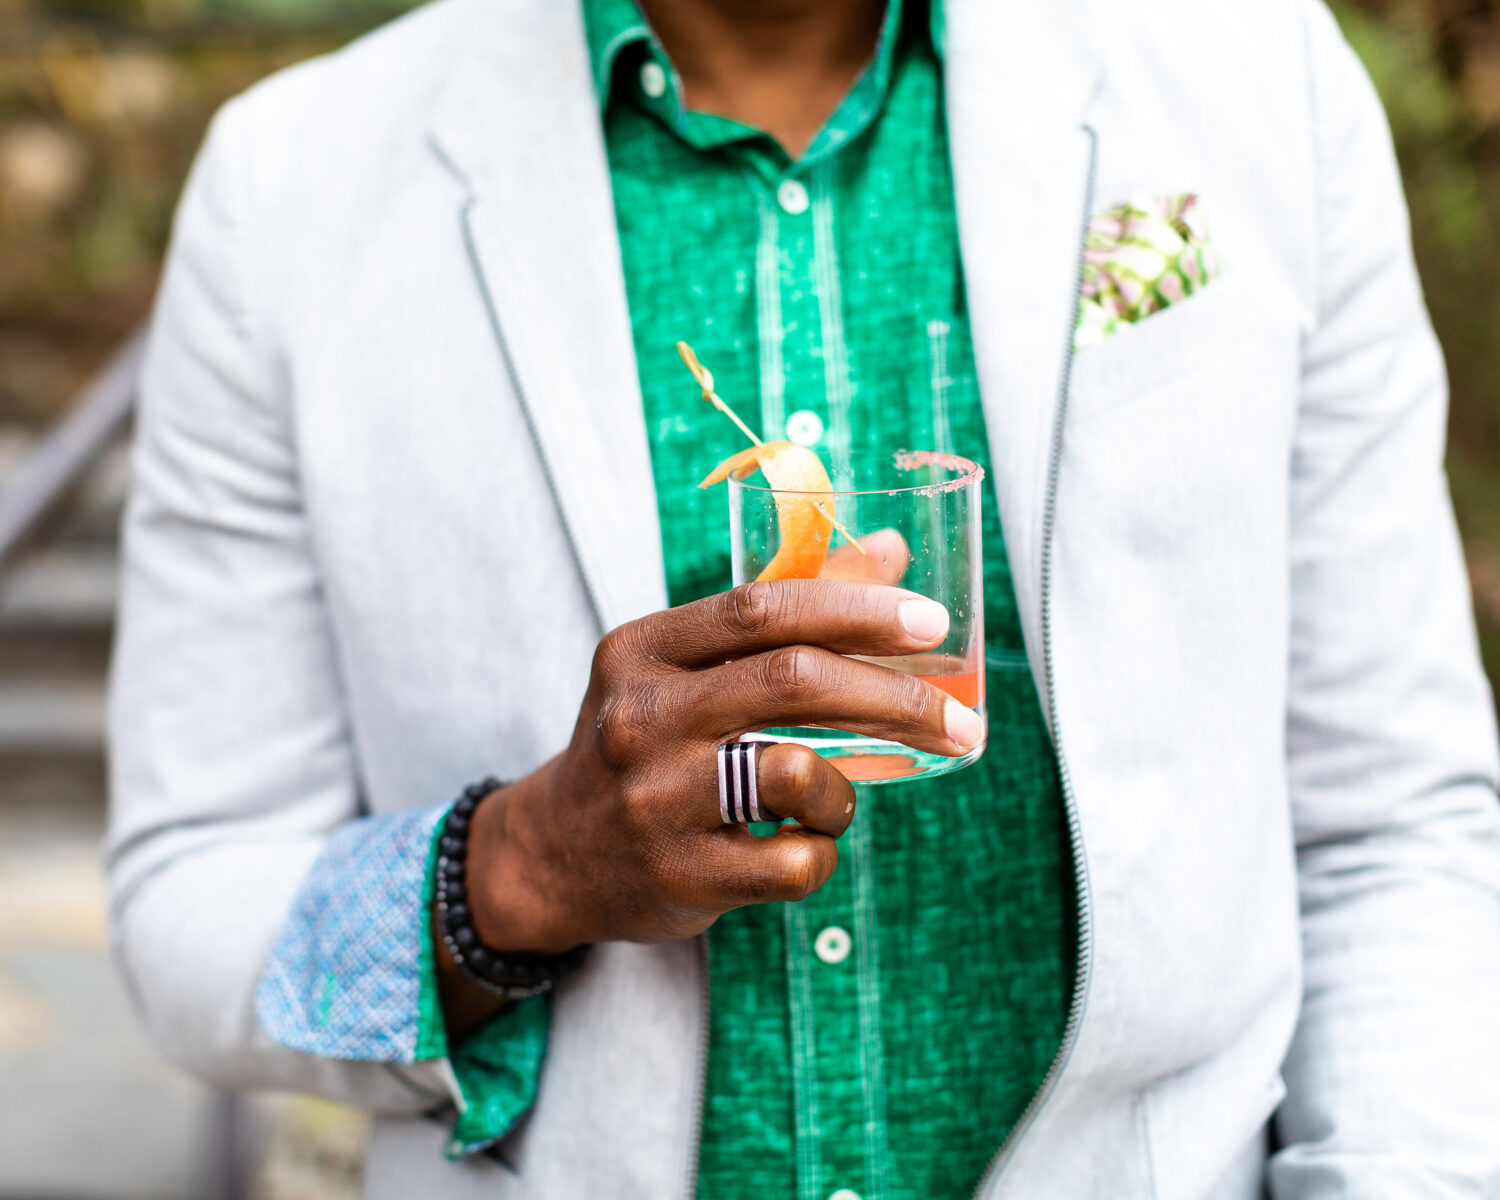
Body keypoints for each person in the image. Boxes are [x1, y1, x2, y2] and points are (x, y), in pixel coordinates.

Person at [106, 0, 1500, 1196]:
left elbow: (1391, 814)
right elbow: (192, 901)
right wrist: (526, 865)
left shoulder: (1255, 75)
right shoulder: (293, 189)